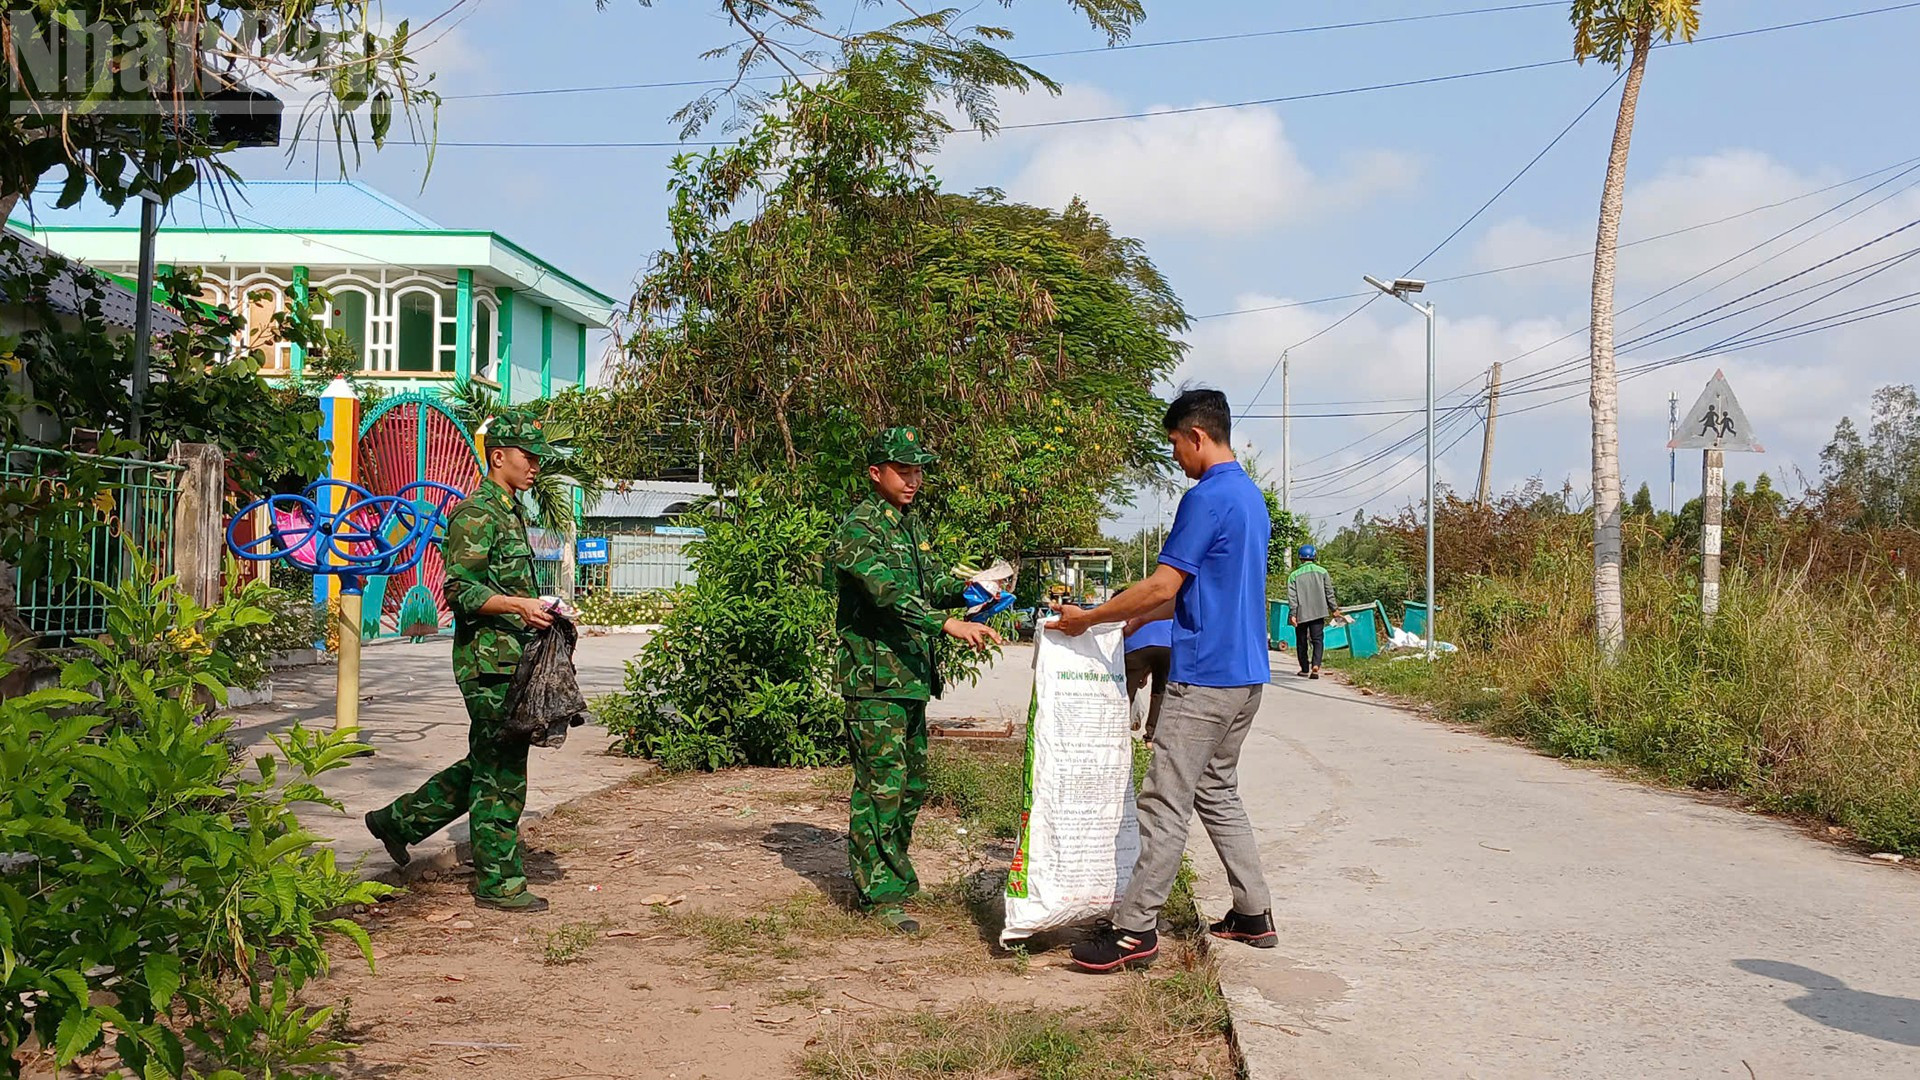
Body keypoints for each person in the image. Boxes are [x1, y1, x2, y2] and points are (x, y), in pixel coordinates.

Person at [1052, 388, 1277, 972]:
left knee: (1164, 800)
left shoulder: (1205, 498)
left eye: (1175, 444)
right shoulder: (1250, 499)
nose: (1175, 456)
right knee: (1217, 792)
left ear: (1196, 436)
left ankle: (1134, 933)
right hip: (1247, 677)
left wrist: (1089, 617)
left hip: (1203, 679)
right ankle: (1254, 913)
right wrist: (1130, 619)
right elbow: (1199, 592)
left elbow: (1164, 585)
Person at [364, 409, 568, 913]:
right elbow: (459, 589)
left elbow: (501, 583)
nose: (535, 466)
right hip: (487, 664)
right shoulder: (478, 512)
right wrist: (519, 605)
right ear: (499, 457)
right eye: (529, 456)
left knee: (487, 761)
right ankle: (498, 882)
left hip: (511, 659)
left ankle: (397, 822)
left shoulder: (509, 509)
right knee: (502, 772)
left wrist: (537, 607)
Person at [831, 426, 1003, 933]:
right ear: (875, 473)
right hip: (875, 679)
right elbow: (886, 593)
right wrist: (947, 623)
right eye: (903, 470)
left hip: (907, 678)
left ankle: (896, 877)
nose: (913, 479)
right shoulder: (859, 528)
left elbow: (930, 584)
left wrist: (976, 589)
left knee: (909, 786)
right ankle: (876, 894)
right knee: (880, 787)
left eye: (918, 470)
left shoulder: (907, 524)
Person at [1287, 544, 1338, 680]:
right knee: (1317, 640)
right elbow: (1329, 592)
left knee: (1301, 641)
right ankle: (1316, 666)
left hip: (1301, 613)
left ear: (1300, 557)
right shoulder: (1322, 572)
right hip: (1319, 611)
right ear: (1314, 556)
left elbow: (1292, 598)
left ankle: (1304, 668)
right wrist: (1334, 609)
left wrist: (1293, 614)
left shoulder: (1294, 575)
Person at [1122, 612, 1172, 743]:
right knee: (1159, 691)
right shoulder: (1165, 610)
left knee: (1127, 691)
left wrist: (1142, 672)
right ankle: (1151, 736)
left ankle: (1119, 730)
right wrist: (1146, 673)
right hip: (1166, 646)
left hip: (1135, 647)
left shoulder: (1136, 607)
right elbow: (1155, 649)